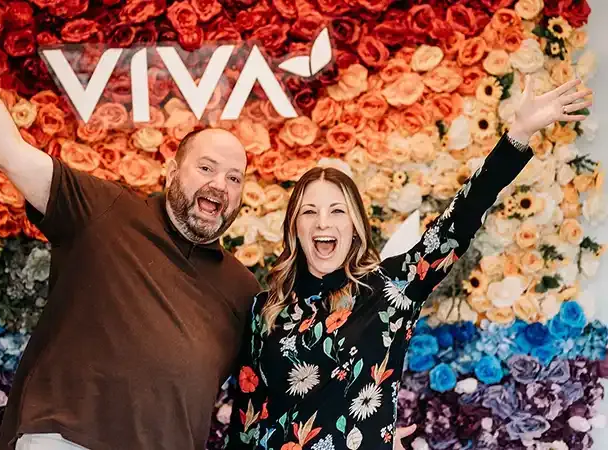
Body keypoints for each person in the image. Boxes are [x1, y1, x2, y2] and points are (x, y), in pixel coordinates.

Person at [0, 1, 262, 449]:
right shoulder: (105, 209)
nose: (219, 184)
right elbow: (10, 151)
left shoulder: (243, 290)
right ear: (172, 172)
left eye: (234, 178)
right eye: (207, 168)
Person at [225, 76, 592, 450]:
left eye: (337, 211)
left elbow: (458, 221)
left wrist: (518, 135)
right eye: (309, 212)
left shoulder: (390, 288)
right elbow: (247, 418)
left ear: (354, 226)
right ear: (294, 227)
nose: (323, 223)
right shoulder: (265, 309)